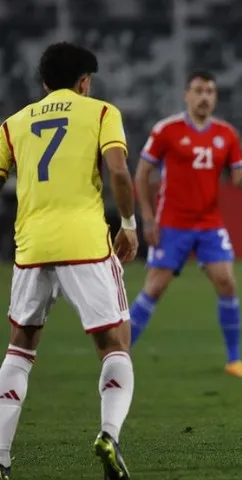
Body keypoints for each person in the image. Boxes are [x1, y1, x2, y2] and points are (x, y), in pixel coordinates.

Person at [0, 42, 138, 479]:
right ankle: (109, 434)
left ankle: (0, 455)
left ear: (44, 82)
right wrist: (129, 223)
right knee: (115, 344)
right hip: (84, 243)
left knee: (19, 351)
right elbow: (117, 171)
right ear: (84, 82)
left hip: (32, 247)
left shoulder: (13, 124)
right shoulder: (100, 112)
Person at [130, 71, 242, 378]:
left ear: (215, 97)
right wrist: (148, 218)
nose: (204, 96)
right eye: (198, 90)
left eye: (210, 91)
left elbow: (237, 177)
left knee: (226, 282)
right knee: (155, 288)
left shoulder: (227, 134)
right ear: (187, 96)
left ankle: (234, 360)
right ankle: (119, 354)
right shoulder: (167, 130)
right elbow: (141, 174)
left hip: (209, 223)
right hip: (171, 223)